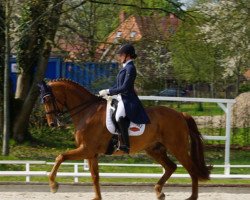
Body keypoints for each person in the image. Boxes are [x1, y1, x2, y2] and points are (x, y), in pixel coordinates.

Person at [99, 44, 150, 154]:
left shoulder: (130, 68)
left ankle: (126, 145)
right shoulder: (125, 68)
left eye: (121, 54)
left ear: (127, 55)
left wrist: (109, 92)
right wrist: (107, 90)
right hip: (120, 97)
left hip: (128, 99)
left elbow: (124, 87)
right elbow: (117, 86)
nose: (119, 57)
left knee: (119, 116)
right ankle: (114, 139)